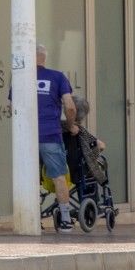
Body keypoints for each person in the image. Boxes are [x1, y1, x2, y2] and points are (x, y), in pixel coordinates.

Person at [34, 45, 77, 231]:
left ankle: (33, 218)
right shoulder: (58, 77)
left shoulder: (20, 77)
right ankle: (65, 220)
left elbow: (12, 108)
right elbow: (70, 106)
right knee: (59, 176)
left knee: (30, 179)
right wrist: (69, 125)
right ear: (44, 57)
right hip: (51, 134)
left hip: (27, 139)